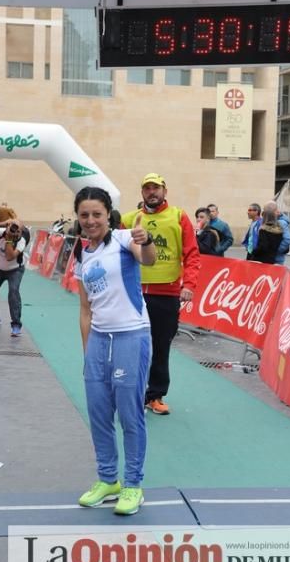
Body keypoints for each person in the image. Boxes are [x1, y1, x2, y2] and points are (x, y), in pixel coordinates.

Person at [74, 186, 156, 516]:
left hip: (131, 337)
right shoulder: (81, 253)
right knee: (98, 413)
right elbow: (84, 308)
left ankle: (133, 484)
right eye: (84, 215)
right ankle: (108, 480)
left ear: (108, 214)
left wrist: (145, 239)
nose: (91, 220)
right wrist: (87, 351)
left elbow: (146, 259)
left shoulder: (124, 240)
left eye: (97, 214)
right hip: (98, 341)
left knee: (129, 414)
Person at [121, 173, 200, 415]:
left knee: (161, 346)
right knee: (131, 345)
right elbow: (118, 254)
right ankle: (129, 393)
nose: (152, 192)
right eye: (147, 189)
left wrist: (189, 285)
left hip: (166, 293)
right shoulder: (129, 219)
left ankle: (154, 396)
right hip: (134, 293)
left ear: (165, 191)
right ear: (142, 193)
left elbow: (192, 254)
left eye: (156, 188)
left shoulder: (179, 216)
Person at [262, 200, 290, 265]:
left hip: (276, 259)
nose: (264, 213)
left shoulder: (281, 223)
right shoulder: (268, 221)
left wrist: (275, 251)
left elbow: (287, 239)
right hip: (269, 258)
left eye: (266, 210)